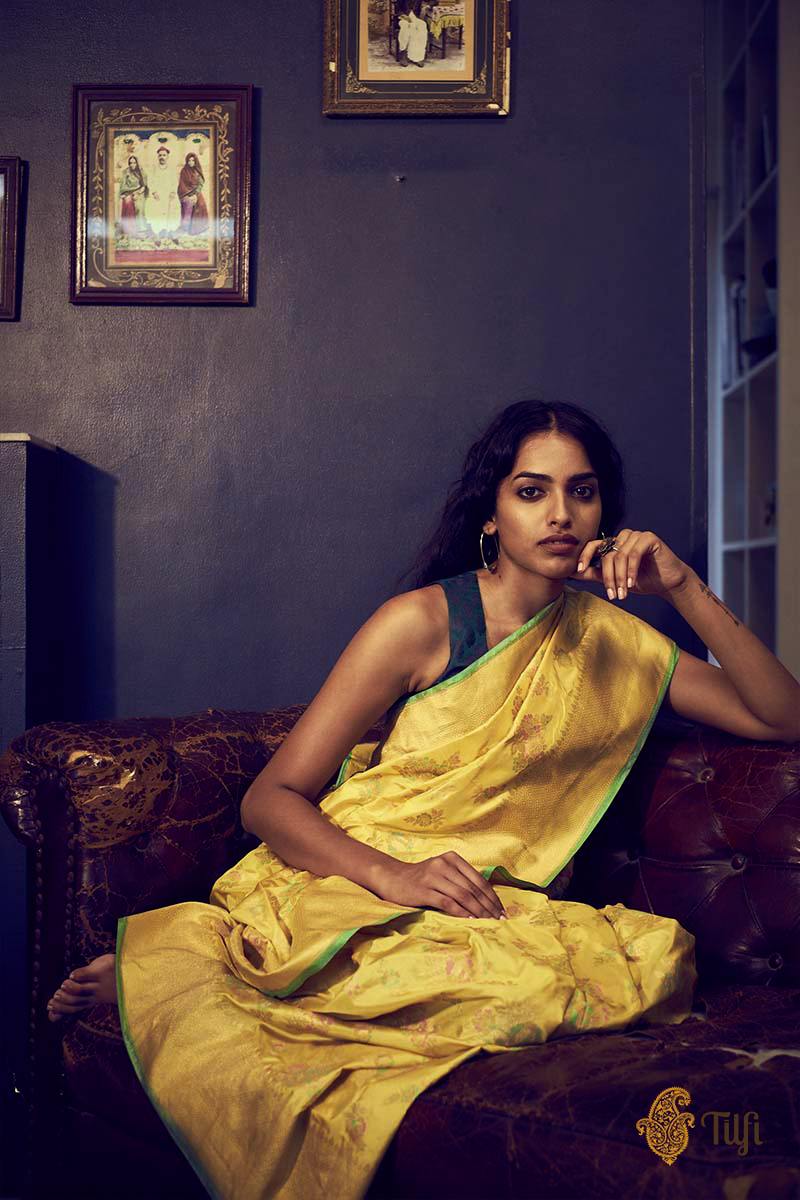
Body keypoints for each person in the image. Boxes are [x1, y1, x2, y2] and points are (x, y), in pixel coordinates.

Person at [47, 400, 800, 1200]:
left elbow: (781, 716)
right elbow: (272, 798)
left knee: (635, 969)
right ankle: (174, 972)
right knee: (424, 968)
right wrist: (397, 877)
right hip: (359, 874)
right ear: (491, 513)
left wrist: (680, 587)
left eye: (581, 492)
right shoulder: (419, 624)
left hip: (489, 901)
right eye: (532, 491)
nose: (560, 514)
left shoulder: (621, 645)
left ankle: (183, 978)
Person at [147, 145, 179, 238]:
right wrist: (154, 192)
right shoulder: (153, 168)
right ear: (158, 157)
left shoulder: (172, 169)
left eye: (164, 155)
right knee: (155, 207)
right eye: (160, 155)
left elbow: (175, 182)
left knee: (174, 205)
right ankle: (157, 233)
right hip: (157, 193)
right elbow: (150, 181)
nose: (162, 157)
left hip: (169, 193)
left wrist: (173, 192)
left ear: (167, 157)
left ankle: (171, 231)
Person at [177, 152, 209, 235]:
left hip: (196, 193)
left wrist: (195, 195)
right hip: (186, 193)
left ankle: (199, 229)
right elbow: (182, 184)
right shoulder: (184, 171)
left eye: (193, 160)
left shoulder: (197, 171)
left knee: (201, 204)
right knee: (188, 203)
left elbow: (200, 184)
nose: (191, 162)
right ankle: (185, 228)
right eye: (189, 160)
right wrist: (188, 195)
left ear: (195, 161)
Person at [118, 155, 148, 237]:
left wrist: (138, 193)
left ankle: (140, 229)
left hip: (139, 193)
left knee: (139, 205)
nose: (132, 165)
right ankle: (128, 229)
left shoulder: (141, 172)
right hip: (128, 193)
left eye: (134, 163)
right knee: (128, 201)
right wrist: (130, 192)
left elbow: (144, 186)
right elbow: (123, 186)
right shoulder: (125, 172)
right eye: (130, 163)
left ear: (137, 163)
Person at [397, 0, 428, 66]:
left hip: (415, 18)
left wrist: (427, 6)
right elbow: (398, 10)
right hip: (403, 18)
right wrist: (404, 16)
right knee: (406, 26)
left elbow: (433, 1)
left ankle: (418, 56)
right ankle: (403, 53)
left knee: (422, 25)